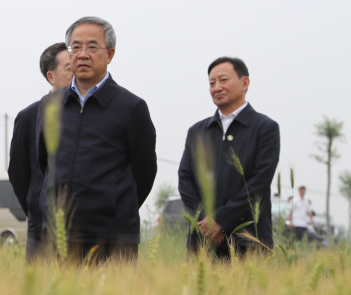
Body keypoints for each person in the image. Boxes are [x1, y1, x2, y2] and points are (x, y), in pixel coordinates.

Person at [36, 16, 156, 263]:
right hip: (59, 236)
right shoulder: (50, 105)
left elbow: (144, 172)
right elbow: (44, 162)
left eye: (92, 47)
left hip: (113, 237)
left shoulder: (131, 107)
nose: (82, 54)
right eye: (76, 47)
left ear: (109, 54)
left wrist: (116, 204)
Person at [177, 56, 280, 258]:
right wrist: (206, 224)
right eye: (212, 83)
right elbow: (185, 179)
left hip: (249, 241)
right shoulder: (197, 131)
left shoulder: (265, 128)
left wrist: (221, 221)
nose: (217, 87)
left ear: (245, 83)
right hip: (203, 242)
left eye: (223, 80)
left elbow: (259, 182)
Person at [7, 42, 71, 261]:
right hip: (41, 230)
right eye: (69, 68)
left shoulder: (93, 113)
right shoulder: (29, 117)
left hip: (85, 229)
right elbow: (18, 173)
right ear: (51, 76)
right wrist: (37, 207)